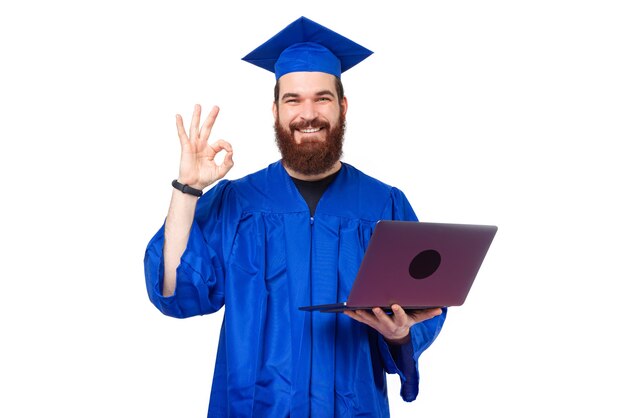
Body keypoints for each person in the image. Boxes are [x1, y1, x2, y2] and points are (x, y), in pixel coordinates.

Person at [144, 16, 446, 417]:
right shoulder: (238, 202)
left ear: (342, 107)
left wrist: (401, 334)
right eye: (293, 99)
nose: (309, 113)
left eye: (322, 98)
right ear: (275, 110)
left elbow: (420, 311)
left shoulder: (383, 206)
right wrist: (188, 190)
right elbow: (177, 290)